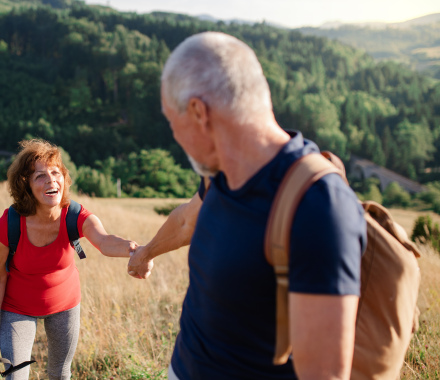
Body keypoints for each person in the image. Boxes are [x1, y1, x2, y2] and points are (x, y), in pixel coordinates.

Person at [127, 31, 367, 380]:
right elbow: (185, 223)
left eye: (171, 121)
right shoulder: (219, 173)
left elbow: (325, 372)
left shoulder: (317, 206)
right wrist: (147, 252)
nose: (175, 136)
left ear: (198, 112)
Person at [0, 139, 137, 380]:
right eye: (40, 176)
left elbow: (105, 241)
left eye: (56, 172)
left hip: (64, 305)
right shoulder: (8, 225)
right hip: (17, 308)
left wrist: (137, 250)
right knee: (14, 376)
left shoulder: (75, 215)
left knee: (60, 374)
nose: (51, 180)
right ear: (26, 185)